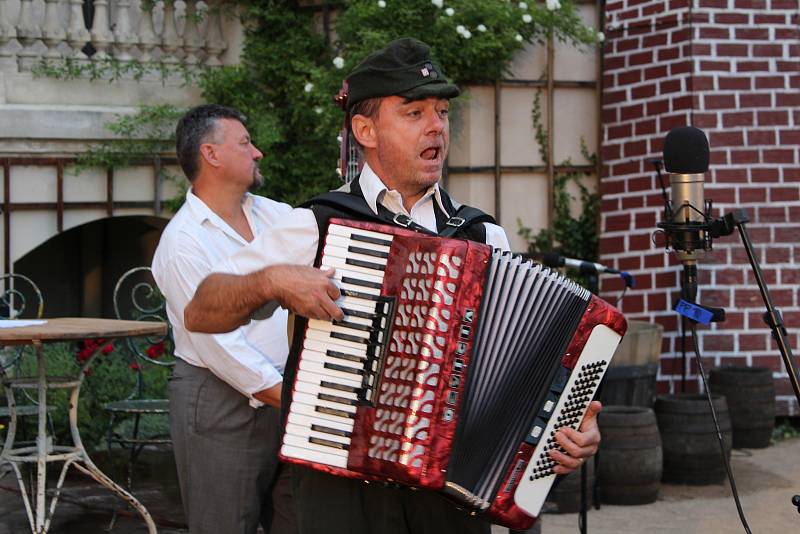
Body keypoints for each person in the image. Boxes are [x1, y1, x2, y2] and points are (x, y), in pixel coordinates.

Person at [183, 40, 601, 534]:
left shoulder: (482, 236)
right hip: (342, 485)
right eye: (414, 112)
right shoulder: (316, 225)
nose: (437, 126)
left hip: (451, 492)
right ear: (366, 130)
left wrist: (567, 428)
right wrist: (272, 280)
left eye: (442, 112)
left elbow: (522, 370)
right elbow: (200, 313)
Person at [151, 104, 342, 534]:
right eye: (244, 143)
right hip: (221, 402)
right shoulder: (183, 242)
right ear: (211, 155)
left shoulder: (276, 214)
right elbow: (219, 346)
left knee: (300, 520)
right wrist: (298, 397)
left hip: (287, 395)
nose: (257, 152)